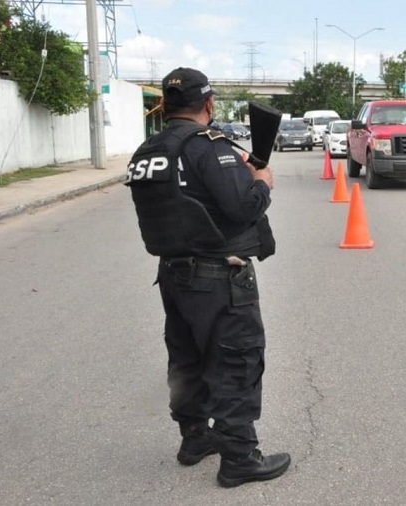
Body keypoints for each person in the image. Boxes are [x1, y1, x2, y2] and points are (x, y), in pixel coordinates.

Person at [124, 67, 290, 488]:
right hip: (220, 275)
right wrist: (262, 182)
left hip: (172, 274)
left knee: (187, 358)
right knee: (236, 360)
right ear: (209, 104)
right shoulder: (208, 147)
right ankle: (239, 457)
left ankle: (194, 437)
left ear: (166, 104)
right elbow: (242, 208)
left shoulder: (148, 149)